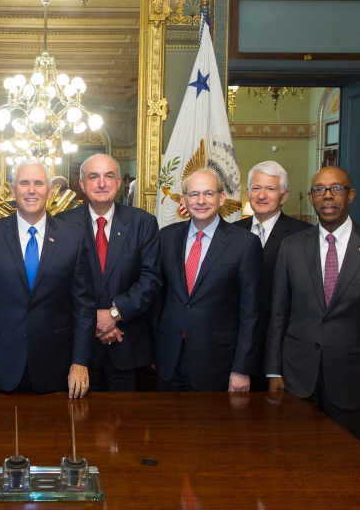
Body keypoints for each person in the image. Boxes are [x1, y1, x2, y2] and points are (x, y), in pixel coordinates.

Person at [265, 166, 360, 445]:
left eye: (336, 188)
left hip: (354, 383)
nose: (327, 196)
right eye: (319, 190)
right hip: (298, 380)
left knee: (350, 468)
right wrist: (273, 370)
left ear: (350, 195)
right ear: (311, 198)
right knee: (296, 461)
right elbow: (278, 314)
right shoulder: (291, 247)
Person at [0, 159, 96, 400]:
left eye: (38, 183)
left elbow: (84, 307)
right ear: (12, 190)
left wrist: (80, 361)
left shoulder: (73, 238)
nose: (31, 190)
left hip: (57, 368)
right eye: (24, 183)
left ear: (50, 191)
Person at [56, 154, 162, 391]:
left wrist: (113, 314)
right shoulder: (62, 224)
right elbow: (57, 282)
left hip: (128, 346)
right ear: (82, 184)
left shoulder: (143, 223)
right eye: (94, 177)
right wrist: (92, 319)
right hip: (78, 349)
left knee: (129, 425)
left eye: (108, 176)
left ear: (119, 183)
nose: (102, 183)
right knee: (78, 424)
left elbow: (151, 278)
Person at [156, 168, 262, 392]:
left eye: (208, 193)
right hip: (169, 358)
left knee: (210, 427)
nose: (201, 201)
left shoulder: (245, 243)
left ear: (221, 197)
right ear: (184, 199)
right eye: (194, 194)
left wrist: (242, 369)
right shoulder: (166, 237)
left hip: (217, 362)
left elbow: (251, 312)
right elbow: (158, 297)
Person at [234, 161, 312, 390]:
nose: (262, 195)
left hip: (281, 351)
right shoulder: (231, 232)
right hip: (236, 346)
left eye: (270, 189)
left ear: (284, 195)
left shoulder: (304, 235)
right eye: (256, 188)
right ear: (247, 193)